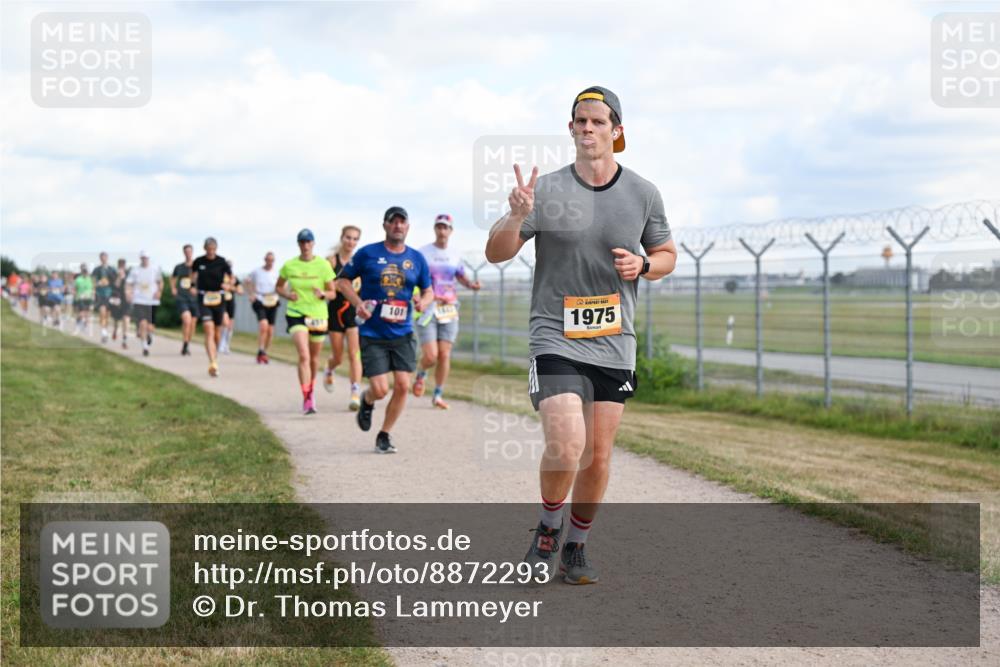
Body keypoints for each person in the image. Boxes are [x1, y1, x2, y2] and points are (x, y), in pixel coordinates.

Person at [484, 86, 677, 585]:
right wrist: (517, 214)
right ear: (570, 128)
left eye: (597, 121)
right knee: (568, 443)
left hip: (614, 340)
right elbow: (496, 253)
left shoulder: (643, 193)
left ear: (617, 130)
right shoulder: (546, 191)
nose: (586, 128)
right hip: (555, 335)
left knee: (597, 457)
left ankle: (576, 546)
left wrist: (644, 265)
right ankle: (548, 530)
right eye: (579, 120)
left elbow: (667, 255)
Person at [336, 206, 433, 453]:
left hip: (403, 333)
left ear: (408, 227)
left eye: (402, 222)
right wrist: (358, 304)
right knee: (380, 389)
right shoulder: (368, 253)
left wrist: (424, 302)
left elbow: (428, 290)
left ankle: (384, 434)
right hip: (373, 333)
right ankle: (367, 400)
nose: (398, 226)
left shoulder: (416, 259)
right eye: (393, 221)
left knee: (402, 385)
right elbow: (342, 281)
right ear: (385, 226)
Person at [413, 213, 481, 409]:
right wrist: (416, 296)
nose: (442, 230)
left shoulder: (455, 254)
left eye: (446, 227)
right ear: (435, 229)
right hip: (428, 308)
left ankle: (438, 394)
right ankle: (421, 373)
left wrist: (471, 284)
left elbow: (461, 276)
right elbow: (413, 277)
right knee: (431, 356)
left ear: (451, 231)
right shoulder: (423, 253)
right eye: (439, 227)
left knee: (444, 354)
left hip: (449, 308)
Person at [275, 229, 337, 414]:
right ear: (298, 244)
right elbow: (278, 287)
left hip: (318, 315)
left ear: (313, 243)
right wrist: (288, 295)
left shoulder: (323, 265)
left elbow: (333, 293)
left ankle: (311, 388)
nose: (305, 245)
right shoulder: (289, 265)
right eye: (302, 242)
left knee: (314, 358)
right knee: (304, 355)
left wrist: (323, 294)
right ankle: (307, 397)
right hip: (296, 312)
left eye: (308, 241)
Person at [323, 225, 364, 410]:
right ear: (342, 238)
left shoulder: (359, 261)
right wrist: (336, 285)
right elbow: (327, 285)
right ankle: (329, 368)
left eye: (355, 239)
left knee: (354, 353)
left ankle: (355, 392)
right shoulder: (331, 261)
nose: (351, 242)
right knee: (338, 357)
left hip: (353, 312)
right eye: (348, 237)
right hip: (336, 311)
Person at [190, 237, 231, 377]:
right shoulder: (199, 261)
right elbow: (192, 275)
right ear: (205, 248)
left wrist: (228, 284)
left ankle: (215, 356)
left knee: (217, 333)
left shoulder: (222, 261)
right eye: (209, 249)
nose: (211, 252)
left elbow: (231, 277)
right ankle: (212, 362)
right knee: (208, 329)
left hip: (219, 299)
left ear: (216, 249)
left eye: (213, 249)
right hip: (204, 298)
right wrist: (192, 286)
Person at [126, 251, 163, 357]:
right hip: (139, 300)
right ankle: (145, 347)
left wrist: (159, 291)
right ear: (140, 259)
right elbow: (129, 283)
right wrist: (128, 293)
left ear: (149, 258)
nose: (144, 260)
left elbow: (160, 282)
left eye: (146, 258)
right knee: (142, 323)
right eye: (143, 258)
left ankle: (150, 334)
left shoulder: (155, 269)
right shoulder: (135, 270)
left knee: (150, 326)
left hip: (152, 301)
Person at [247, 251, 280, 364]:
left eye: (272, 260)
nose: (270, 262)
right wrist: (251, 293)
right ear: (265, 260)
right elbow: (247, 281)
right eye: (268, 260)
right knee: (263, 325)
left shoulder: (277, 273)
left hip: (273, 300)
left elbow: (283, 285)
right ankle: (261, 349)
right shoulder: (257, 271)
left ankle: (264, 352)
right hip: (260, 299)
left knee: (270, 330)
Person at [170, 244, 198, 356]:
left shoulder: (197, 266)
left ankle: (187, 344)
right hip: (182, 297)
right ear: (184, 253)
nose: (188, 254)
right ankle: (185, 344)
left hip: (194, 299)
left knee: (192, 325)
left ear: (192, 252)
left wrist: (196, 288)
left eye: (189, 251)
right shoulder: (179, 267)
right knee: (187, 320)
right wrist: (173, 288)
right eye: (186, 252)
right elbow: (173, 278)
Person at [92, 252, 117, 343]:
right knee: (102, 312)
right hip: (100, 294)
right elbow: (92, 282)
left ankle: (105, 330)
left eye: (105, 257)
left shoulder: (112, 269)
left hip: (110, 294)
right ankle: (103, 333)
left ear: (107, 258)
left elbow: (116, 281)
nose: (103, 259)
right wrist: (98, 283)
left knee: (107, 315)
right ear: (100, 258)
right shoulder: (96, 269)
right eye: (102, 257)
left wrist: (110, 282)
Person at [219, 261, 242, 354]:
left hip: (230, 302)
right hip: (221, 301)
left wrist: (231, 287)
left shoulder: (234, 278)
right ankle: (221, 343)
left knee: (230, 325)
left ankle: (226, 345)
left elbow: (240, 291)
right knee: (225, 322)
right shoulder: (219, 276)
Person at [110, 259, 130, 348]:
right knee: (116, 319)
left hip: (126, 299)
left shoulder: (129, 274)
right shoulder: (114, 273)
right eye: (120, 265)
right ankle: (115, 330)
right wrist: (119, 276)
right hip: (116, 298)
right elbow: (116, 285)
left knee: (126, 318)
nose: (122, 267)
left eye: (123, 265)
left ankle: (125, 339)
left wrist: (124, 277)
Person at [73, 263, 95, 336]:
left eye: (86, 271)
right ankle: (77, 327)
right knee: (81, 314)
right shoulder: (78, 279)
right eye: (84, 271)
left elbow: (93, 289)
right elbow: (75, 289)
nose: (85, 273)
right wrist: (75, 297)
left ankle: (85, 327)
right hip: (80, 299)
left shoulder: (90, 279)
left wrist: (93, 296)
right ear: (82, 272)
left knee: (88, 314)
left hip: (89, 299)